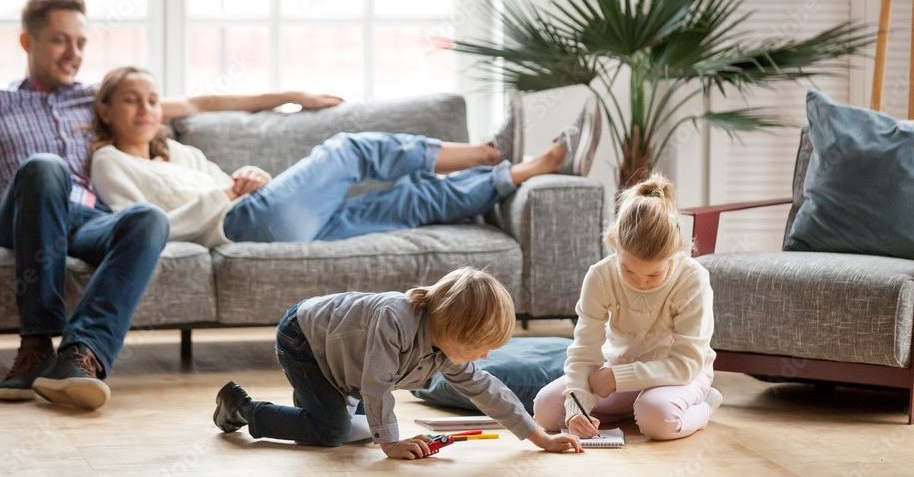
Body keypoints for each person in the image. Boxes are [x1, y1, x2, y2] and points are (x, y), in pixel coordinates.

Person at [0, 0, 342, 409]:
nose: (73, 53)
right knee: (45, 166)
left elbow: (201, 102)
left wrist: (292, 97)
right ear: (27, 42)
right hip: (21, 220)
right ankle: (35, 345)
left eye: (81, 42)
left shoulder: (92, 99)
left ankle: (79, 356)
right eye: (59, 40)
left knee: (147, 217)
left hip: (86, 219)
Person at [87, 66, 599, 246]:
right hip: (240, 225)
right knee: (349, 149)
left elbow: (231, 180)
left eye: (152, 99)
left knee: (408, 202)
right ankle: (489, 151)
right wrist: (227, 194)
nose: (145, 109)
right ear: (106, 109)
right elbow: (138, 226)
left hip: (270, 216)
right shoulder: (110, 162)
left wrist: (249, 175)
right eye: (131, 99)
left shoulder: (178, 151)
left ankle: (530, 168)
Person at [211, 267, 583, 458]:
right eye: (478, 346)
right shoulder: (395, 319)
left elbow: (488, 391)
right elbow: (376, 385)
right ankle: (242, 408)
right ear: (451, 326)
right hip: (305, 340)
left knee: (352, 432)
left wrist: (541, 437)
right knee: (334, 432)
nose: (484, 356)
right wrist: (391, 443)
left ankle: (314, 407)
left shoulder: (446, 348)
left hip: (344, 361)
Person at [532, 174, 722, 441]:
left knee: (657, 419)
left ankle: (703, 406)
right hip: (619, 370)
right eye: (628, 271)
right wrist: (577, 408)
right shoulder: (600, 275)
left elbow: (685, 364)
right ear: (615, 245)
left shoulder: (693, 279)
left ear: (676, 253)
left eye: (653, 275)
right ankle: (632, 409)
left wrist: (616, 378)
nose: (641, 283)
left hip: (681, 375)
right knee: (545, 411)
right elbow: (584, 352)